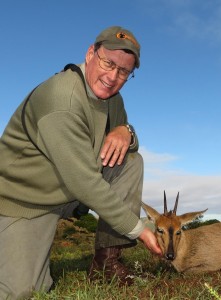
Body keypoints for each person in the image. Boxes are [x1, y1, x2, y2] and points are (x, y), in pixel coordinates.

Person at [0, 25, 162, 299]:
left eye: (124, 71)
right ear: (90, 53)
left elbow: (123, 140)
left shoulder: (113, 100)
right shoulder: (61, 100)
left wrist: (127, 132)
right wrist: (139, 229)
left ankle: (105, 264)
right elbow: (85, 182)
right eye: (108, 63)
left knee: (131, 161)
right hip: (26, 200)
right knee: (23, 291)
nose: (113, 77)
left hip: (69, 192)